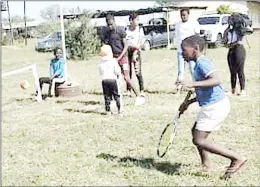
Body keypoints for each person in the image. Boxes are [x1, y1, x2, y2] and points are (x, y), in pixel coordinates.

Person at [179, 35, 247, 179]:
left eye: (184, 50)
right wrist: (188, 102)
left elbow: (216, 80)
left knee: (199, 139)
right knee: (195, 132)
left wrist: (193, 84)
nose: (182, 53)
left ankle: (236, 158)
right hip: (213, 105)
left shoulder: (203, 63)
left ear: (195, 49)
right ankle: (206, 164)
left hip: (215, 107)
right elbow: (205, 90)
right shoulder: (198, 64)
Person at [102, 14, 145, 106]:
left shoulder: (120, 31)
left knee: (127, 78)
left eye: (111, 24)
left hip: (123, 57)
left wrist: (120, 57)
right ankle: (113, 99)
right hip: (113, 59)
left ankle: (139, 97)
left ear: (114, 21)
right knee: (113, 80)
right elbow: (106, 46)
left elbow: (126, 45)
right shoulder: (107, 33)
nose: (110, 26)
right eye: (108, 25)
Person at [175, 8, 200, 91]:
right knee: (181, 70)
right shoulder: (178, 24)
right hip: (180, 51)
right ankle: (179, 87)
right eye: (181, 15)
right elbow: (177, 36)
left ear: (188, 15)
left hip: (191, 51)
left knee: (193, 69)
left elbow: (197, 35)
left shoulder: (194, 23)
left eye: (185, 15)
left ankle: (196, 86)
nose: (183, 17)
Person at [98, 44, 123, 116]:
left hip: (104, 80)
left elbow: (100, 72)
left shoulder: (100, 63)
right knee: (116, 95)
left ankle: (108, 111)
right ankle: (120, 110)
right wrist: (118, 75)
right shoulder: (113, 61)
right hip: (113, 79)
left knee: (107, 96)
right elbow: (117, 71)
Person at [225, 16, 247, 96]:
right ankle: (233, 90)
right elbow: (225, 41)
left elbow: (239, 40)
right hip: (231, 50)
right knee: (232, 71)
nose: (229, 22)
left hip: (239, 50)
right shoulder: (229, 31)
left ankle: (242, 90)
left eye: (231, 21)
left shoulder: (239, 30)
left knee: (240, 70)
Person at [125, 13, 145, 97]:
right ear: (131, 21)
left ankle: (142, 89)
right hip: (127, 51)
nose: (137, 21)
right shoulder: (126, 29)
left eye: (138, 20)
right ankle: (128, 90)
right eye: (136, 20)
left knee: (137, 72)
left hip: (136, 51)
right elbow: (126, 41)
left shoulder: (139, 29)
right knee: (127, 71)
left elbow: (140, 42)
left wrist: (135, 53)